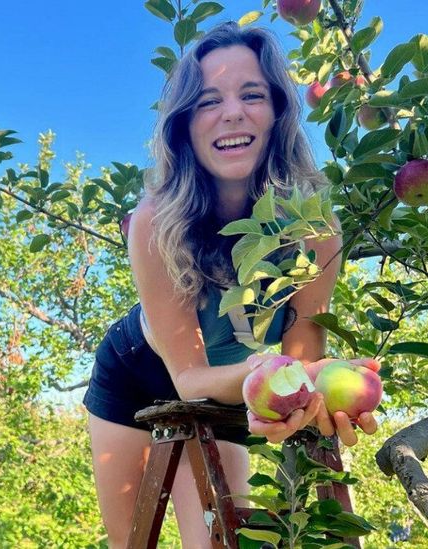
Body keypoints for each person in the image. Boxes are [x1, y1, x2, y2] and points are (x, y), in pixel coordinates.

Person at [82, 22, 381, 548]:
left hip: (235, 384)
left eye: (252, 94)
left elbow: (300, 355)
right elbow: (189, 378)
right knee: (129, 541)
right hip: (138, 371)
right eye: (208, 101)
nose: (233, 112)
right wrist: (276, 373)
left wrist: (314, 389)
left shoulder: (313, 226)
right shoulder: (156, 221)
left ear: (277, 113)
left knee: (222, 543)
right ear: (185, 123)